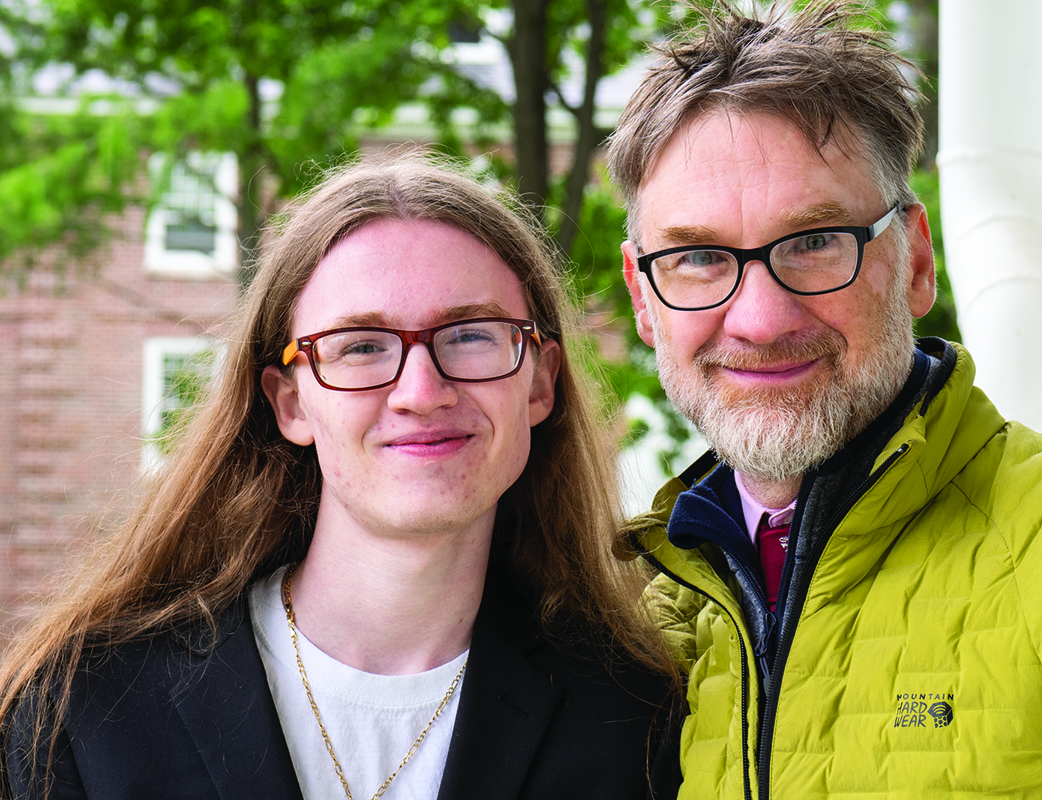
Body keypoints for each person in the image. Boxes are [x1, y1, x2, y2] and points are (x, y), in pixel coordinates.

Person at [606, 2, 1042, 798]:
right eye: (701, 257)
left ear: (915, 260)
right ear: (644, 301)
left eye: (816, 242)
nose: (760, 318)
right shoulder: (633, 628)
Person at [0, 153, 680, 799]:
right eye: (360, 346)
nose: (421, 390)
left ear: (539, 384)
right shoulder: (84, 706)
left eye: (470, 334)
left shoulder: (638, 716)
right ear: (290, 402)